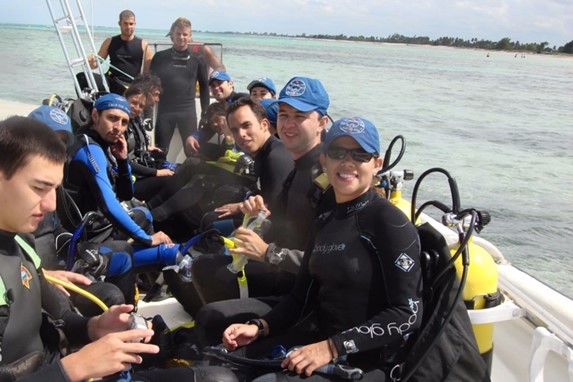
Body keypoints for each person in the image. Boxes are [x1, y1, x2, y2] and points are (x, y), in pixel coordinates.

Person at [0, 115, 238, 382]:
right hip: (62, 372)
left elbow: (63, 317)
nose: (52, 205)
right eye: (39, 188)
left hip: (56, 366)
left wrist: (94, 328)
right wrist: (73, 369)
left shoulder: (20, 242)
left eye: (55, 189)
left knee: (219, 378)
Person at [222, 116, 423, 381]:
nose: (348, 162)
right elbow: (299, 299)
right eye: (337, 152)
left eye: (360, 154)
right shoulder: (325, 221)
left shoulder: (389, 222)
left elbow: (408, 314)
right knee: (221, 359)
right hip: (320, 342)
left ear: (377, 164)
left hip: (371, 363)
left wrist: (332, 347)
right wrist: (261, 327)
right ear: (324, 160)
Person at [192, 77, 334, 344]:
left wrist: (268, 253)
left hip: (305, 299)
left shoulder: (327, 178)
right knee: (204, 267)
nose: (289, 124)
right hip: (287, 278)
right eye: (284, 114)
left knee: (209, 313)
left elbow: (330, 263)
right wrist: (257, 213)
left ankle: (239, 341)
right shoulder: (298, 166)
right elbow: (285, 222)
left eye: (300, 116)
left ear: (322, 123)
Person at [28, 105, 136, 313]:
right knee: (111, 294)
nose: (53, 149)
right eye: (47, 140)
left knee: (124, 251)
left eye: (60, 142)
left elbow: (56, 229)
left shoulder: (53, 185)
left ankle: (130, 321)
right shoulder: (10, 189)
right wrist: (43, 275)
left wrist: (79, 253)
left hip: (58, 264)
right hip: (34, 281)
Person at [63, 93, 181, 268]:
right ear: (95, 115)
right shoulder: (89, 149)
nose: (118, 127)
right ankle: (144, 264)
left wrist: (123, 160)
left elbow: (126, 194)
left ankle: (139, 270)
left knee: (144, 214)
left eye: (124, 122)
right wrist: (147, 239)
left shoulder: (103, 144)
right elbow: (109, 206)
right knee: (172, 255)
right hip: (90, 236)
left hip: (100, 225)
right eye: (112, 118)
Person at [150, 17, 210, 152]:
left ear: (190, 37)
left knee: (192, 152)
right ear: (172, 34)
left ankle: (191, 173)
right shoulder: (159, 57)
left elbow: (205, 88)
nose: (181, 37)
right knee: (160, 152)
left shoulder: (198, 60)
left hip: (187, 112)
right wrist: (147, 114)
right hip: (165, 112)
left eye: (185, 34)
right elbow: (150, 86)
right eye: (178, 34)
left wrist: (205, 114)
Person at [124, 84, 174, 202]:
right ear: (125, 98)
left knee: (170, 164)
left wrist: (146, 148)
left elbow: (135, 146)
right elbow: (125, 162)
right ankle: (153, 212)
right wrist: (156, 173)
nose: (137, 108)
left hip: (140, 171)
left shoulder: (133, 120)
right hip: (129, 182)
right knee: (170, 180)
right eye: (134, 102)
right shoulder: (120, 126)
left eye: (141, 106)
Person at [88, 10, 153, 95]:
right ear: (119, 23)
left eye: (131, 24)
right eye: (125, 23)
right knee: (82, 77)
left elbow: (147, 74)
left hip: (130, 85)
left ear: (135, 24)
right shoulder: (109, 42)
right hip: (111, 82)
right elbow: (95, 65)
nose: (129, 27)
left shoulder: (144, 45)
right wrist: (91, 62)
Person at [185, 71, 249, 156]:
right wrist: (194, 137)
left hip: (246, 146)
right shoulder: (219, 106)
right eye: (213, 86)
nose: (216, 88)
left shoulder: (243, 100)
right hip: (232, 145)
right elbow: (210, 128)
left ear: (230, 84)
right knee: (202, 149)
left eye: (219, 83)